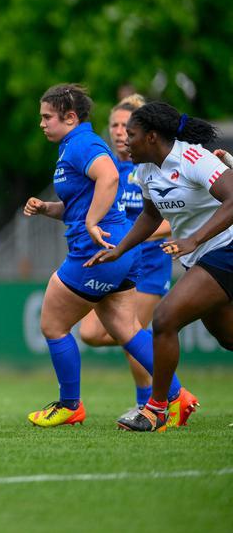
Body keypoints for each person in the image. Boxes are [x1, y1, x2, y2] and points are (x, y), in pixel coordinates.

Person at [22, 84, 193, 428]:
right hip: (118, 250)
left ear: (70, 117)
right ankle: (178, 396)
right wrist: (47, 208)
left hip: (95, 253)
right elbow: (79, 204)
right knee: (127, 330)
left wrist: (91, 222)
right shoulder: (75, 145)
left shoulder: (82, 144)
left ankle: (70, 405)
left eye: (47, 117)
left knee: (52, 324)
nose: (41, 123)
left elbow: (109, 175)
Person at [85, 103, 233, 431]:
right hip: (202, 257)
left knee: (164, 318)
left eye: (131, 134)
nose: (124, 140)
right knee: (228, 337)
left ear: (151, 137)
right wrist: (119, 250)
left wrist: (194, 239)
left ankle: (156, 409)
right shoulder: (145, 171)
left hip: (226, 249)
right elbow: (151, 216)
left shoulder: (193, 158)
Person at [77, 95, 179, 419]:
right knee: (92, 333)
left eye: (126, 125)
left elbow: (173, 220)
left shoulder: (155, 166)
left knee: (131, 335)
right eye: (114, 125)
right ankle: (161, 350)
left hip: (149, 264)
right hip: (120, 265)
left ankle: (150, 404)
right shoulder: (106, 167)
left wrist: (131, 239)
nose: (120, 131)